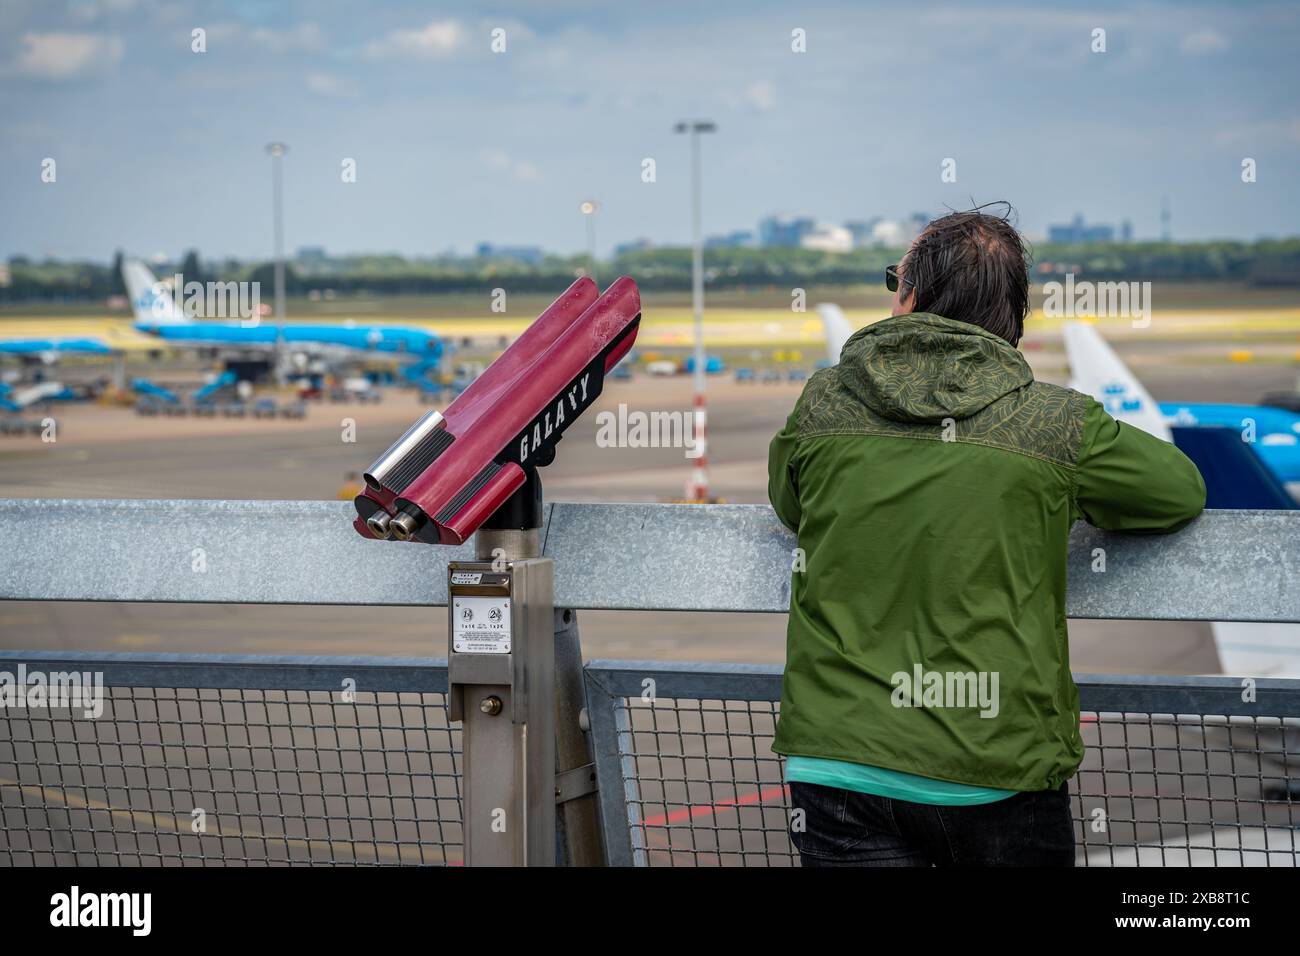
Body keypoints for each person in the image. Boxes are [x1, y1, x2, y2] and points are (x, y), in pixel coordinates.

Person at [767, 205, 1206, 866]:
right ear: (1013, 314)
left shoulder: (823, 402)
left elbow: (789, 501)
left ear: (909, 295)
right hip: (998, 765)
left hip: (838, 766)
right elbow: (1178, 492)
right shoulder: (1056, 425)